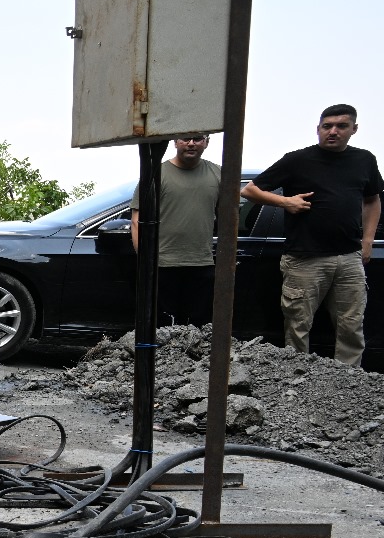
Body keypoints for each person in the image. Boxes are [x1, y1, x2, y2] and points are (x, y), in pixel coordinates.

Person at [243, 104, 382, 366]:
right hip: (304, 259)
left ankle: (348, 383)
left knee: (351, 327)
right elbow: (250, 191)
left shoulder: (364, 160)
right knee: (298, 326)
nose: (333, 131)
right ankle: (298, 383)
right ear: (317, 129)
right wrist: (286, 202)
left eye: (341, 126)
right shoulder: (298, 160)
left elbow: (372, 200)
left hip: (349, 258)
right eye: (327, 126)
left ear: (354, 129)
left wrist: (367, 242)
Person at [127, 134, 221, 327]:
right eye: (185, 138)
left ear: (207, 142)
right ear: (175, 142)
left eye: (197, 138)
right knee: (164, 327)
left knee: (198, 327)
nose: (191, 143)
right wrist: (145, 260)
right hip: (163, 265)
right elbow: (137, 219)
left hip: (202, 264)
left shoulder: (218, 173)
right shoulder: (156, 174)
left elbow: (230, 215)